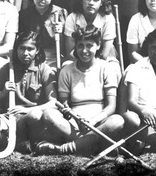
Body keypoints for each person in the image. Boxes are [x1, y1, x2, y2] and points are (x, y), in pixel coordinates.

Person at [33, 25, 124, 155]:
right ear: (75, 47)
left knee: (117, 121)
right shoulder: (67, 71)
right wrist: (70, 114)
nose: (84, 50)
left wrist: (94, 121)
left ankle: (66, 148)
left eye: (89, 45)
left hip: (99, 124)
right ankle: (89, 145)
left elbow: (111, 106)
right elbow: (65, 104)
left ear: (98, 45)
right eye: (80, 45)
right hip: (75, 125)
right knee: (49, 114)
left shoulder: (106, 68)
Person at [0, 31, 57, 151]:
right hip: (8, 120)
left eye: (30, 49)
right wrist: (2, 93)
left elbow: (53, 103)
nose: (25, 53)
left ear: (37, 50)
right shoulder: (8, 68)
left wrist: (27, 110)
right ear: (16, 49)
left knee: (35, 116)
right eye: (22, 48)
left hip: (31, 119)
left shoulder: (44, 69)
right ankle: (4, 142)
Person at [63, 0, 118, 71]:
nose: (91, 3)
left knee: (114, 69)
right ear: (81, 0)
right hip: (78, 58)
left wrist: (92, 68)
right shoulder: (72, 18)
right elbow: (70, 52)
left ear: (101, 2)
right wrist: (83, 66)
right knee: (66, 66)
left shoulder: (108, 19)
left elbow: (105, 53)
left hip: (103, 59)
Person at [19, 0, 67, 67]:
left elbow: (65, 46)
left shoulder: (60, 13)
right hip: (30, 57)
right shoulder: (24, 15)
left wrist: (61, 32)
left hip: (53, 58)